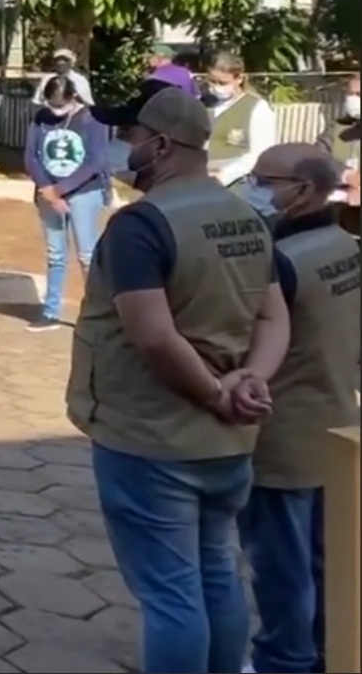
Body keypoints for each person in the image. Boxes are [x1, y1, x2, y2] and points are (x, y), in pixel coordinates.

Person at [75, 84, 290, 674]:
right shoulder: (245, 215)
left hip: (152, 440)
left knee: (169, 593)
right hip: (228, 443)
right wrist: (252, 381)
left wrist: (216, 392)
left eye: (129, 136)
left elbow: (154, 336)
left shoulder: (140, 225)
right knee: (216, 571)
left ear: (161, 145)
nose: (121, 147)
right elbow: (274, 314)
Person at [235, 144, 359, 674]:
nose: (254, 188)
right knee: (324, 559)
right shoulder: (347, 246)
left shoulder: (281, 263)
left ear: (303, 190)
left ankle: (285, 661)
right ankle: (328, 653)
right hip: (336, 421)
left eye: (264, 179)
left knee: (281, 566)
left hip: (282, 435)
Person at [24, 74, 110, 332]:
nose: (56, 111)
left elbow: (95, 161)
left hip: (84, 193)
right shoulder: (41, 118)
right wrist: (48, 190)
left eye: (60, 106)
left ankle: (99, 314)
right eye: (52, 105)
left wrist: (61, 191)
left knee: (87, 255)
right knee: (55, 255)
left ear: (73, 98)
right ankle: (50, 311)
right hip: (48, 193)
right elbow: (31, 156)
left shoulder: (93, 119)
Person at [203, 51, 277, 190]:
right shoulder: (205, 104)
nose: (216, 87)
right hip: (203, 179)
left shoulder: (257, 108)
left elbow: (260, 153)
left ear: (239, 79)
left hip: (239, 184)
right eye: (212, 81)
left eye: (222, 82)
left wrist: (224, 176)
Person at [316, 73, 359, 236]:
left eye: (359, 95)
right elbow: (317, 156)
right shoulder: (337, 127)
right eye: (350, 94)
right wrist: (344, 174)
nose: (353, 100)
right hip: (338, 216)